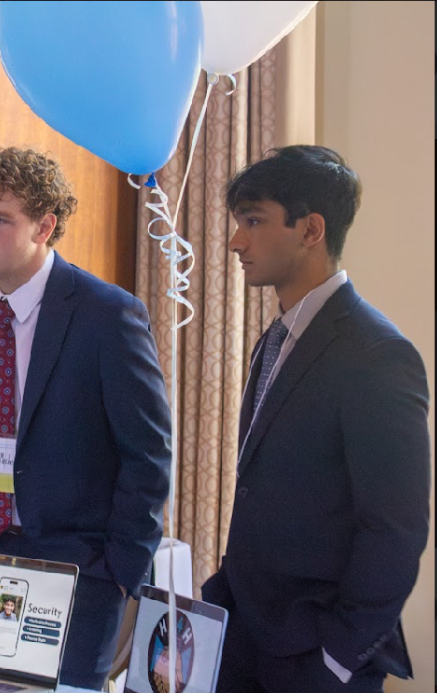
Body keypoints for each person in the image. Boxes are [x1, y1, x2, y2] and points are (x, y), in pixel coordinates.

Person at [0, 147, 172, 689]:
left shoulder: (107, 314)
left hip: (79, 568)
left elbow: (149, 454)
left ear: (45, 225)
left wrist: (119, 574)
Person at [202, 145, 430, 693]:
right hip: (248, 636)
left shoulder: (376, 352)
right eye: (238, 223)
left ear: (311, 230)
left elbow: (395, 528)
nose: (236, 241)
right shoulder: (276, 339)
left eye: (253, 221)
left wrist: (337, 657)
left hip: (314, 656)